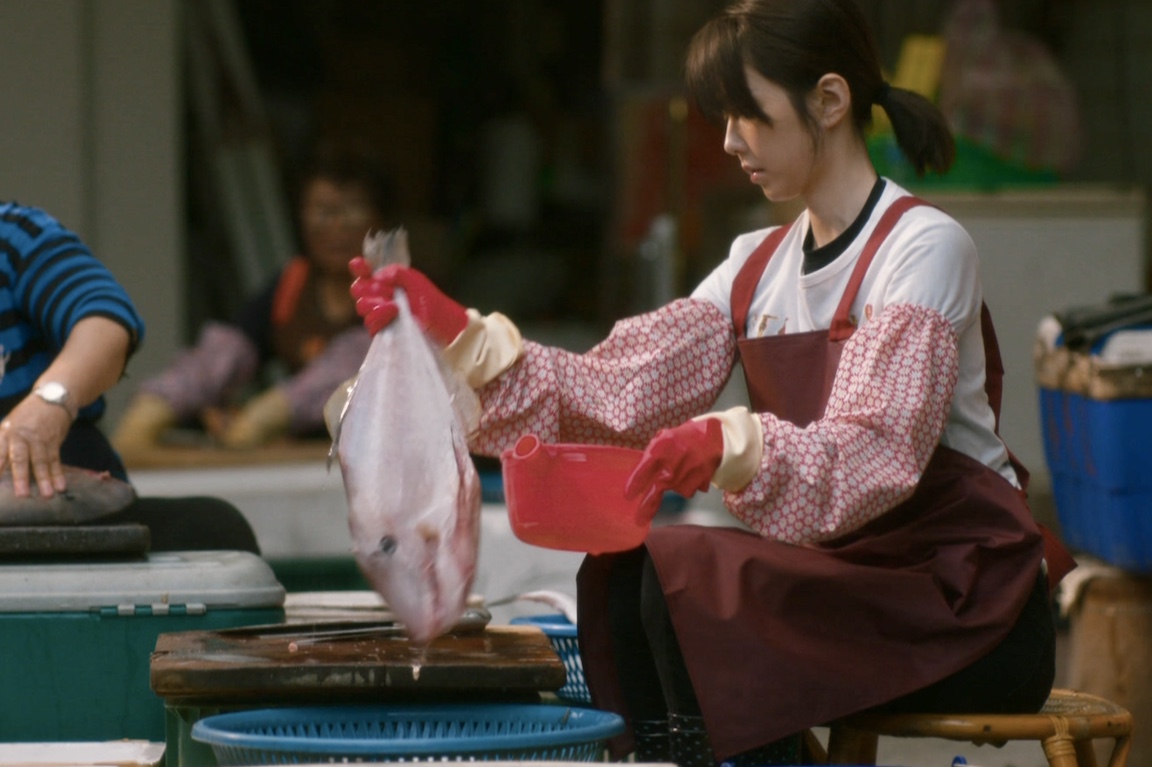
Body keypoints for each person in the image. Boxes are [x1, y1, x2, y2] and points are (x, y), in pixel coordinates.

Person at [347, 1, 1075, 765]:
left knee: (691, 576)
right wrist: (458, 334)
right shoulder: (754, 267)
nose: (729, 141)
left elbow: (875, 450)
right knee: (628, 570)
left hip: (968, 606)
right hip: (853, 593)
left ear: (830, 99)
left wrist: (730, 443)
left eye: (748, 115)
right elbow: (615, 394)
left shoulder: (923, 248)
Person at [0, 201, 260, 553]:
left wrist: (52, 398)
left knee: (215, 529)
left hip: (78, 518)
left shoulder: (14, 234)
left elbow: (106, 317)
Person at [112, 141, 395, 453]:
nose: (336, 227)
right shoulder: (292, 285)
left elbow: (356, 364)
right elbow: (225, 353)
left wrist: (265, 417)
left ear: (379, 219)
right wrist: (157, 404)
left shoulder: (397, 289)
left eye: (352, 211)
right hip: (299, 460)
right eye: (322, 212)